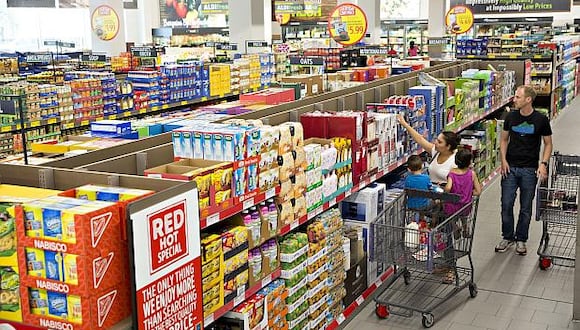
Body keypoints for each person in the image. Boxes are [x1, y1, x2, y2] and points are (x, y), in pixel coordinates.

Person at [495, 85, 553, 255]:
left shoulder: (541, 120)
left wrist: (543, 164)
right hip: (510, 168)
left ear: (528, 99)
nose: (514, 99)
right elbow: (504, 140)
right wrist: (503, 160)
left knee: (525, 207)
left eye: (518, 97)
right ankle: (507, 236)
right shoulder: (511, 117)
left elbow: (548, 144)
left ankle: (521, 239)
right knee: (506, 204)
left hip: (530, 170)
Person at [397, 114, 461, 186]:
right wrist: (404, 124)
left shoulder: (456, 161)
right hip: (432, 194)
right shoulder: (436, 152)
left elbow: (459, 185)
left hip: (445, 195)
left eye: (439, 142)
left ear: (448, 146)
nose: (435, 142)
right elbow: (420, 139)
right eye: (436, 139)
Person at [443, 148, 482, 216]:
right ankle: (464, 227)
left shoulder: (452, 173)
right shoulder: (472, 174)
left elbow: (448, 188)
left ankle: (454, 226)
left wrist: (444, 192)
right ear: (469, 162)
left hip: (452, 207)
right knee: (465, 220)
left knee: (450, 221)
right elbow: (478, 191)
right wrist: (468, 192)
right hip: (465, 207)